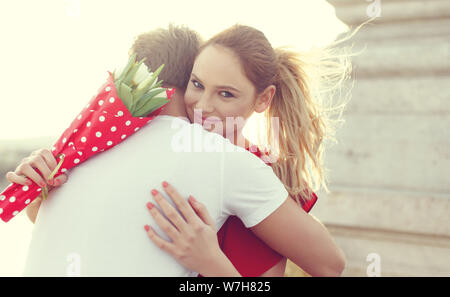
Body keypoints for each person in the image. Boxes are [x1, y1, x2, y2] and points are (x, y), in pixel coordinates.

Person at [7, 24, 347, 277]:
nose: (203, 106)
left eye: (226, 94)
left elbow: (330, 266)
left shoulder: (242, 168)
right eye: (198, 86)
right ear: (185, 82)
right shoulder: (86, 151)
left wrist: (211, 264)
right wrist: (42, 193)